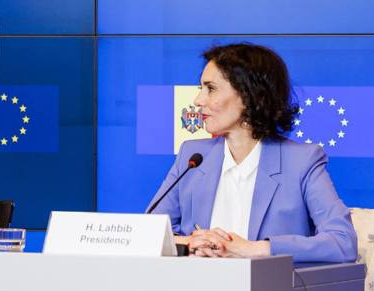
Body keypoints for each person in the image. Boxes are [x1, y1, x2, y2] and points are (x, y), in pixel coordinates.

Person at [147, 43, 356, 264]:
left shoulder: (302, 161)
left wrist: (252, 249)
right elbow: (148, 235)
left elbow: (343, 243)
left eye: (210, 88)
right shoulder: (193, 156)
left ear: (247, 96)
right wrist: (190, 243)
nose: (198, 101)